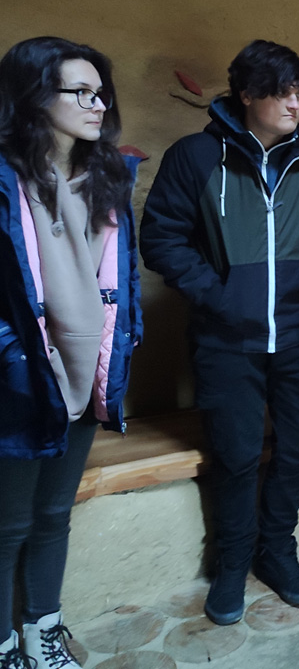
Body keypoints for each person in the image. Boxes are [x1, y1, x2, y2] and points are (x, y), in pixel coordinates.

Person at [140, 40, 299, 626]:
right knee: (234, 455)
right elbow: (160, 237)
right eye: (282, 92)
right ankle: (233, 561)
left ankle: (276, 551)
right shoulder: (195, 156)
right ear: (246, 94)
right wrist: (217, 296)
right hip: (225, 340)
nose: (294, 104)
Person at [0, 37, 142, 669]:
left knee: (54, 513)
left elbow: (123, 280)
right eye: (80, 92)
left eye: (100, 92)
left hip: (90, 373)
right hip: (21, 377)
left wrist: (125, 342)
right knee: (7, 525)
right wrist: (13, 355)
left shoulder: (108, 179)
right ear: (34, 97)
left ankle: (43, 633)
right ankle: (5, 649)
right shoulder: (5, 181)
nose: (97, 104)